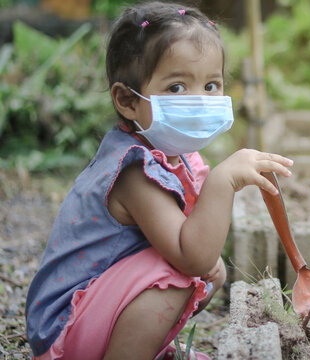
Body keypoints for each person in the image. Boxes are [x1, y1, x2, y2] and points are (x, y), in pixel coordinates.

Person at [25, 2, 293, 359]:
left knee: (208, 271)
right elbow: (190, 257)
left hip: (96, 311)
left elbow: (201, 259)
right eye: (177, 88)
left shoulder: (171, 155)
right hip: (67, 328)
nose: (200, 101)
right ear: (126, 100)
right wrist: (222, 180)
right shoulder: (134, 170)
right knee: (181, 271)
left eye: (212, 85)